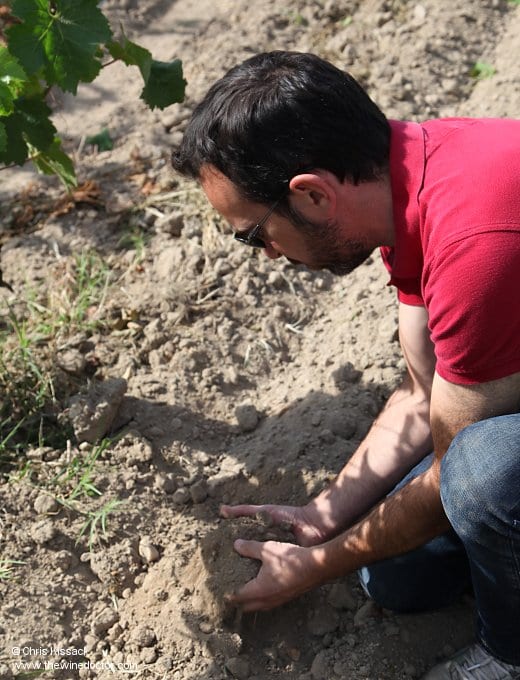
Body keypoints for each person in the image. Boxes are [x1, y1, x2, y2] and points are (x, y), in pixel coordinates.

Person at [171, 51, 520, 680]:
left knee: (484, 474)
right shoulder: (410, 179)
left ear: (311, 194)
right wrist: (325, 518)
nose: (267, 255)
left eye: (255, 235)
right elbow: (421, 393)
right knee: (396, 575)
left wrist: (315, 565)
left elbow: (453, 472)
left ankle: (509, 655)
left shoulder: (472, 243)